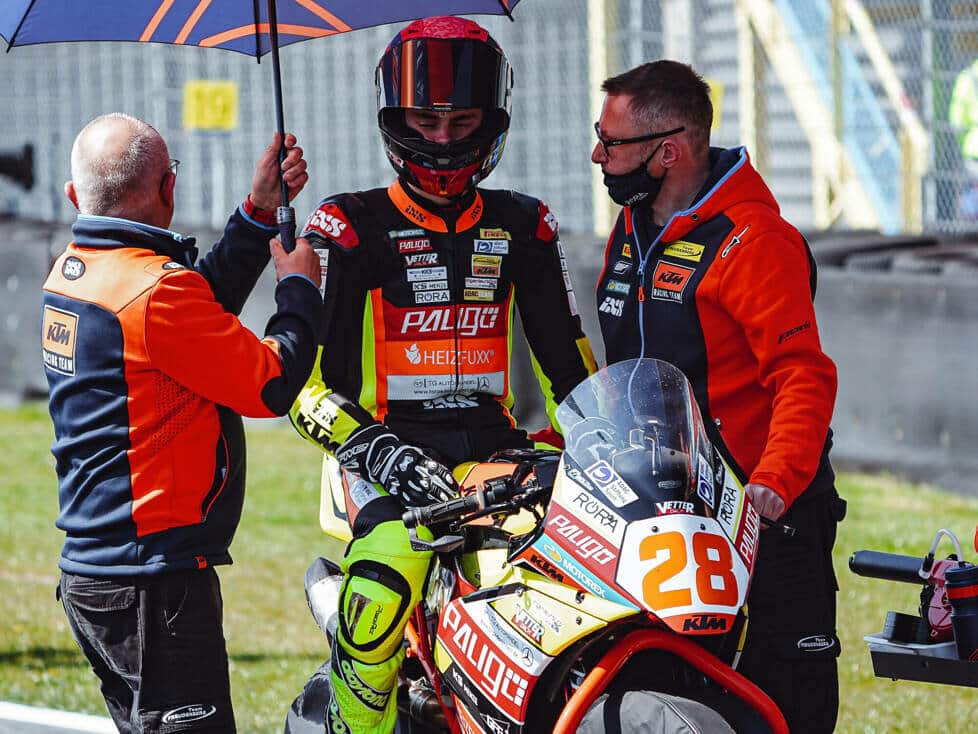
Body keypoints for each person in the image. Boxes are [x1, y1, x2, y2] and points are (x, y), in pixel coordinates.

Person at [288, 16, 595, 733]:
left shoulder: (527, 225)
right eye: (426, 120)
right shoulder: (347, 227)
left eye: (462, 121)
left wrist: (594, 441)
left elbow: (571, 370)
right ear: (395, 120)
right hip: (381, 453)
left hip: (496, 450)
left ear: (493, 119)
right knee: (381, 591)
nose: (444, 140)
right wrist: (379, 453)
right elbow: (302, 387)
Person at [43, 112, 323, 733]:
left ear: (73, 196)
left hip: (99, 576)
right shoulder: (154, 292)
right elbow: (271, 383)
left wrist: (258, 211)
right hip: (151, 584)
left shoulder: (76, 271)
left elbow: (194, 310)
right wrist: (300, 290)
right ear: (168, 187)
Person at [591, 61, 844, 732]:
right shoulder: (632, 228)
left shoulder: (755, 240)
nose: (598, 156)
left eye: (612, 143)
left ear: (669, 151)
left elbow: (803, 375)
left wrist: (773, 483)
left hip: (765, 509)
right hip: (664, 508)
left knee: (785, 699)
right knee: (662, 686)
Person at [949, 57, 978, 220]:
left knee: (971, 197)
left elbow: (957, 120)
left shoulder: (967, 78)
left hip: (973, 148)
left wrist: (964, 141)